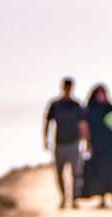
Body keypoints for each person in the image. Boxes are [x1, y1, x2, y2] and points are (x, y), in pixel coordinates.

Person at [44, 78, 88, 209]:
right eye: (66, 87)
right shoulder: (55, 104)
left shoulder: (76, 105)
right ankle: (63, 197)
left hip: (74, 143)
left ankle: (74, 199)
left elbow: (82, 124)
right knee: (59, 173)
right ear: (62, 88)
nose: (67, 90)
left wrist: (84, 141)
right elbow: (48, 122)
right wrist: (46, 139)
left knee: (76, 173)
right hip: (60, 143)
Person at [80, 84, 112, 208]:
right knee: (99, 172)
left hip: (111, 146)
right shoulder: (90, 110)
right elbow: (85, 127)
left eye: (103, 93)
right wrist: (88, 144)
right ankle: (102, 197)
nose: (101, 96)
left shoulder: (111, 108)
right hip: (97, 146)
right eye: (99, 93)